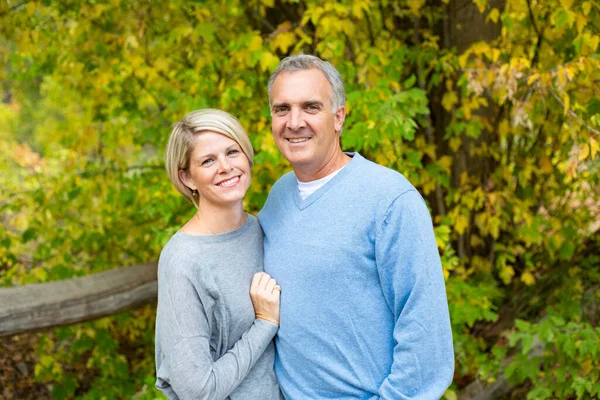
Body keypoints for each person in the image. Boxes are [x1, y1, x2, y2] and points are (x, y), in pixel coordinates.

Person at [259, 54, 454, 399]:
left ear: (339, 117)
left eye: (311, 107)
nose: (294, 121)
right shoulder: (278, 198)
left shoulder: (389, 199)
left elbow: (426, 340)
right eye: (282, 109)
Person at [155, 109, 281, 400]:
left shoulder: (264, 229)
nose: (225, 167)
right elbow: (197, 391)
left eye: (232, 152)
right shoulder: (183, 261)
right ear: (187, 177)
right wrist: (264, 324)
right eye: (208, 160)